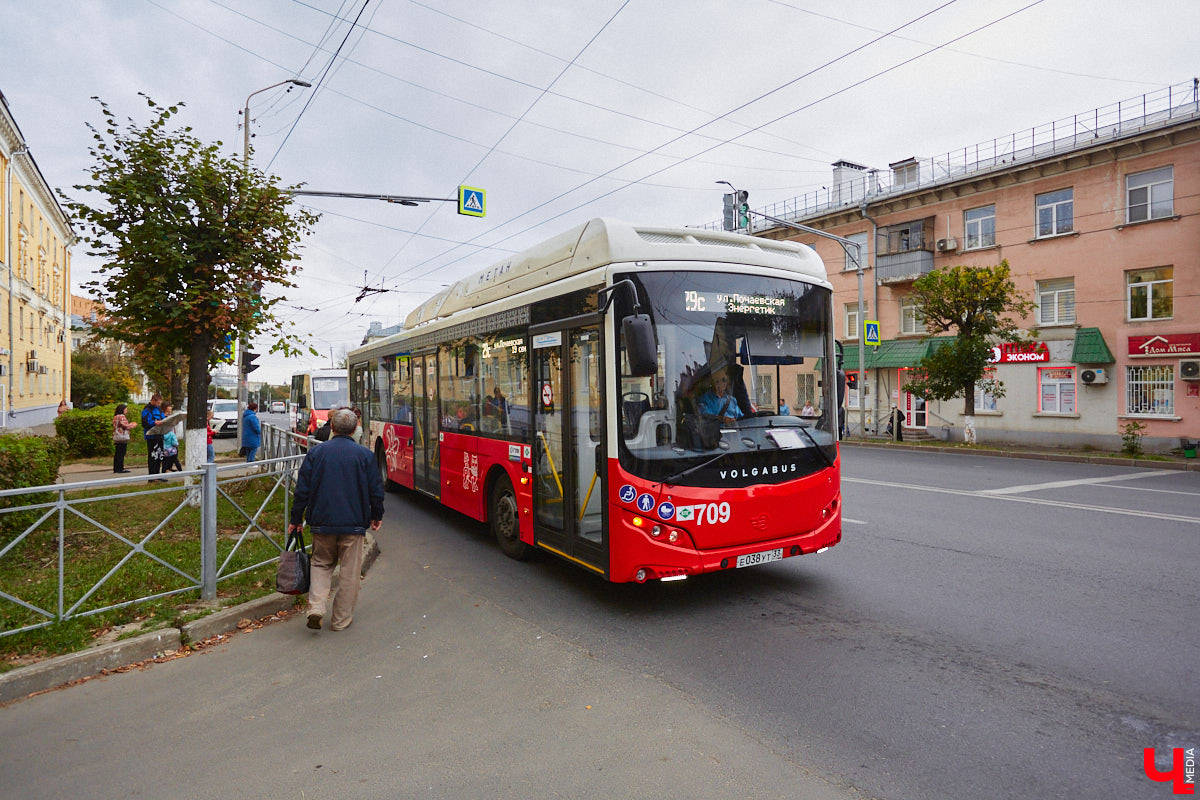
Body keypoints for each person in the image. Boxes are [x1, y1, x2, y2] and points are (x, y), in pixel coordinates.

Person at [288, 408, 384, 632]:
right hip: (353, 524)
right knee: (350, 572)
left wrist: (296, 519)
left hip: (322, 521)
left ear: (332, 427)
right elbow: (376, 491)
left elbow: (302, 489)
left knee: (321, 564)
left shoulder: (316, 454)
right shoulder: (365, 456)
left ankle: (317, 607)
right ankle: (341, 620)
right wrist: (376, 516)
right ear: (354, 429)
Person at [141, 393, 166, 479]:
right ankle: (152, 476)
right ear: (153, 400)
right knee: (153, 456)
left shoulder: (159, 409)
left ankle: (157, 475)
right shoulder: (147, 410)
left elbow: (163, 418)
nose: (159, 405)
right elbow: (145, 423)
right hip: (151, 436)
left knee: (159, 456)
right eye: (158, 403)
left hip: (159, 435)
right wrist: (154, 423)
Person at [112, 403, 137, 473]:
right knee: (121, 453)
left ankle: (116, 468)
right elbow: (126, 426)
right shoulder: (121, 417)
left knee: (117, 453)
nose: (126, 411)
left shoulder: (115, 417)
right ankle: (120, 468)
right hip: (122, 437)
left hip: (117, 436)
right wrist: (133, 425)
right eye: (126, 409)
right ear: (122, 410)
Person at [161, 403, 183, 472]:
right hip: (167, 435)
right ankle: (166, 468)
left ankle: (169, 466)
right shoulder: (162, 416)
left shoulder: (170, 415)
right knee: (168, 455)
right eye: (168, 410)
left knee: (174, 453)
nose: (170, 412)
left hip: (172, 433)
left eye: (170, 410)